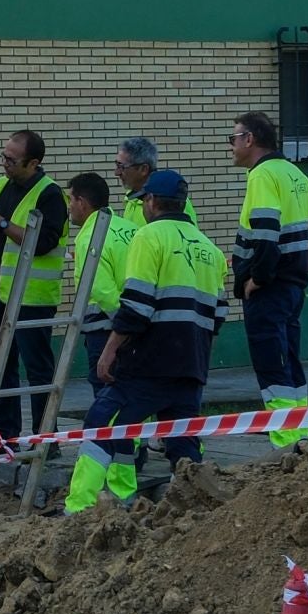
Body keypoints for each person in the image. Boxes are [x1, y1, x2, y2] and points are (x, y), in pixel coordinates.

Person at [64, 170, 229, 513]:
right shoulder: (210, 250)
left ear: (151, 202)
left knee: (102, 420)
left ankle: (78, 509)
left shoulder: (149, 237)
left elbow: (137, 306)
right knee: (182, 437)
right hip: (192, 362)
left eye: (144, 202)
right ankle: (198, 511)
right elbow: (219, 314)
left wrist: (110, 349)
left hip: (149, 359)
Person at [228, 111, 308, 449]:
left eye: (234, 138)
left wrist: (258, 277)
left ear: (250, 139)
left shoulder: (262, 176)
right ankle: (300, 435)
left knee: (272, 364)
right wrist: (304, 267)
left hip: (269, 289)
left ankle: (285, 442)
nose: (231, 145)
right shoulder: (294, 172)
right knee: (289, 358)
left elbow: (266, 233)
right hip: (292, 284)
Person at [0, 130, 67, 442]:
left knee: (37, 369)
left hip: (31, 295)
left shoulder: (50, 194)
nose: (4, 163)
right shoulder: (0, 186)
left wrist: (1, 222)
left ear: (33, 163)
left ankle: (45, 438)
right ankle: (7, 437)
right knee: (0, 366)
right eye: (3, 156)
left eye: (11, 159)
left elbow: (44, 243)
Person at [66, 171, 136, 398]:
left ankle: (114, 436)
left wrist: (126, 325)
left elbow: (103, 291)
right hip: (140, 325)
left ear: (82, 203)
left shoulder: (89, 239)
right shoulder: (130, 229)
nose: (69, 207)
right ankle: (134, 436)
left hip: (107, 330)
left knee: (108, 393)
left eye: (71, 200)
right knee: (133, 392)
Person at [113, 136, 197, 227]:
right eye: (116, 165)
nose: (116, 173)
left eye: (121, 167)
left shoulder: (172, 200)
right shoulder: (132, 198)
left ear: (143, 169)